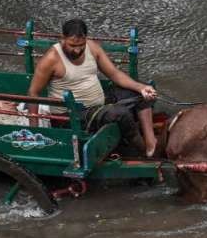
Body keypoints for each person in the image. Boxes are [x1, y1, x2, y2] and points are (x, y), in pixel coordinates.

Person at [27, 19, 158, 157]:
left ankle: (151, 143)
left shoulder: (92, 47)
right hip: (71, 116)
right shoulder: (51, 59)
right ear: (62, 39)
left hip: (98, 104)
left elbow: (114, 74)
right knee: (120, 113)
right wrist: (34, 132)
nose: (77, 50)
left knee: (141, 93)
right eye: (72, 45)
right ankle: (143, 151)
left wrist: (142, 87)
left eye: (81, 45)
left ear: (86, 39)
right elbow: (33, 92)